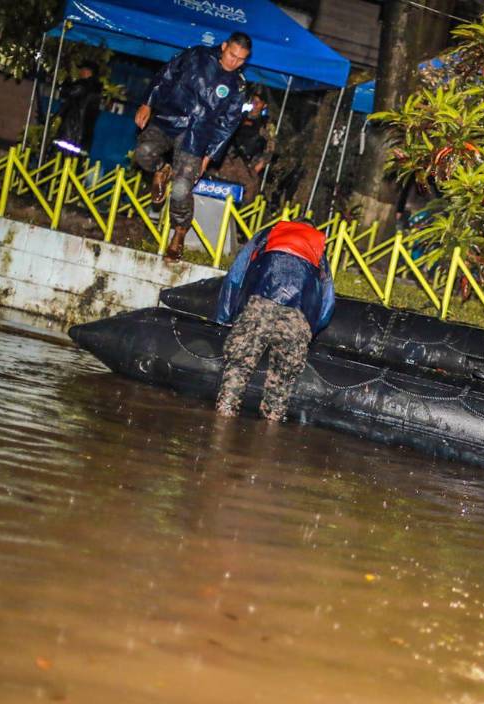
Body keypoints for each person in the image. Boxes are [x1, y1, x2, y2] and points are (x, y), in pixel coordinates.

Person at [133, 32, 250, 262]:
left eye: (240, 59)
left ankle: (178, 234)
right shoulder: (197, 55)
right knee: (143, 153)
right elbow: (165, 75)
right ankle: (161, 169)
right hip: (169, 120)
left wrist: (209, 156)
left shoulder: (238, 86)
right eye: (231, 55)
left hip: (198, 137)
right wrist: (147, 102)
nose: (233, 62)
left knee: (180, 189)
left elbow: (228, 125)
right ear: (224, 46)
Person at [213, 220, 335, 421]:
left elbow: (236, 274)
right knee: (282, 381)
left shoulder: (269, 233)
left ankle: (222, 422)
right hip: (299, 315)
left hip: (261, 303)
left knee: (238, 366)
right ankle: (270, 428)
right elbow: (327, 301)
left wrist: (225, 315)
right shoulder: (318, 249)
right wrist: (311, 330)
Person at [214, 90, 271, 204]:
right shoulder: (239, 117)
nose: (255, 104)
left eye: (259, 102)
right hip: (231, 159)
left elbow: (270, 146)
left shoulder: (266, 124)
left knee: (248, 193)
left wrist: (260, 165)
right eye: (254, 101)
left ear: (264, 105)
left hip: (249, 164)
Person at [55, 62, 103, 156]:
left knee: (63, 158)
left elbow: (67, 92)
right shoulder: (96, 90)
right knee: (75, 160)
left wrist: (66, 81)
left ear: (88, 72)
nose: (80, 72)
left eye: (82, 70)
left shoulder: (84, 86)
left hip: (73, 130)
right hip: (84, 135)